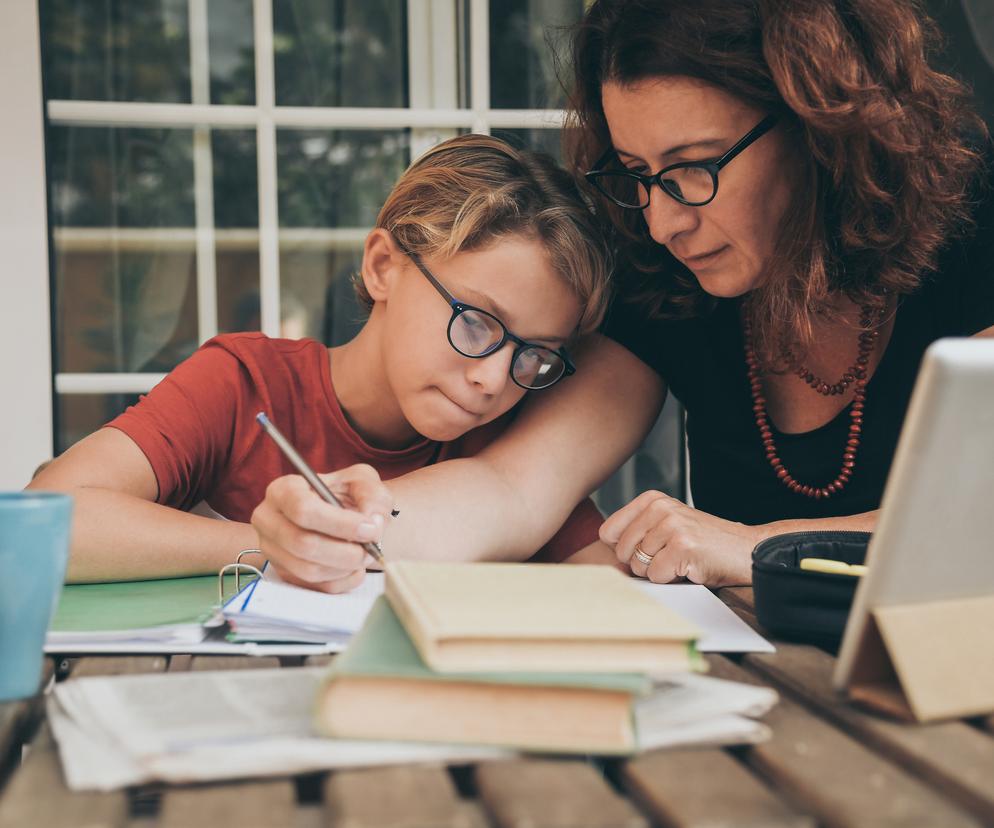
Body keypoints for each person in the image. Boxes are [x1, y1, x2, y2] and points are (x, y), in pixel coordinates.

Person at [250, 0, 994, 591]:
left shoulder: (975, 228)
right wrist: (346, 527)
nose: (665, 219)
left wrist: (759, 546)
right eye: (637, 173)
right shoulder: (670, 276)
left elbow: (976, 523)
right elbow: (511, 488)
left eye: (693, 166)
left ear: (818, 126)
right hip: (775, 698)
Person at [30, 134, 615, 589]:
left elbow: (607, 586)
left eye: (534, 355)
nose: (492, 379)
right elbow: (45, 521)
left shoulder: (512, 443)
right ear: (384, 266)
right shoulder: (244, 384)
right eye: (475, 322)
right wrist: (273, 545)